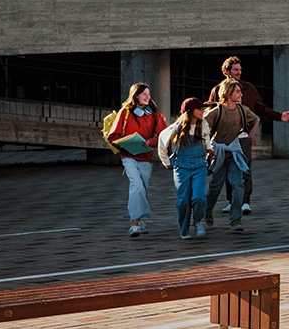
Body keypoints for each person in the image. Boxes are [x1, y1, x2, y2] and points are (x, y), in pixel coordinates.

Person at [207, 56, 289, 215]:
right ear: (226, 71)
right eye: (235, 70)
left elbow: (260, 109)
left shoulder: (248, 88)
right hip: (223, 138)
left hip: (242, 137)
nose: (239, 73)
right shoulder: (217, 90)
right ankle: (232, 201)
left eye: (240, 70)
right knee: (227, 171)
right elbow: (211, 113)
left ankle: (245, 202)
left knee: (244, 169)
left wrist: (279, 117)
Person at [105, 82, 168, 238]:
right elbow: (113, 136)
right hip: (128, 156)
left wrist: (150, 142)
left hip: (146, 156)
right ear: (135, 96)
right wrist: (126, 142)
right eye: (144, 94)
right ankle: (134, 223)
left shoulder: (155, 114)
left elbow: (164, 134)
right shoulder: (125, 112)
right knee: (137, 185)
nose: (147, 97)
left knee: (143, 189)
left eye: (149, 94)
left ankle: (139, 222)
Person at [203, 79, 259, 234]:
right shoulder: (217, 111)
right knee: (215, 186)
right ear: (228, 94)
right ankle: (207, 210)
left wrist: (252, 132)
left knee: (238, 184)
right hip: (219, 152)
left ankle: (235, 219)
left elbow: (256, 119)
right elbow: (203, 125)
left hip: (234, 152)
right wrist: (207, 147)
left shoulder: (243, 110)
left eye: (241, 91)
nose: (241, 94)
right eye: (237, 92)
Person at [157, 97, 214, 239]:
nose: (202, 111)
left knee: (199, 197)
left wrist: (209, 149)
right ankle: (184, 228)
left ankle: (198, 220)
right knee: (183, 200)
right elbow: (162, 141)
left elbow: (207, 140)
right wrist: (165, 161)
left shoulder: (204, 124)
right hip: (182, 167)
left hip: (199, 165)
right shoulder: (177, 127)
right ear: (189, 111)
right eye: (199, 109)